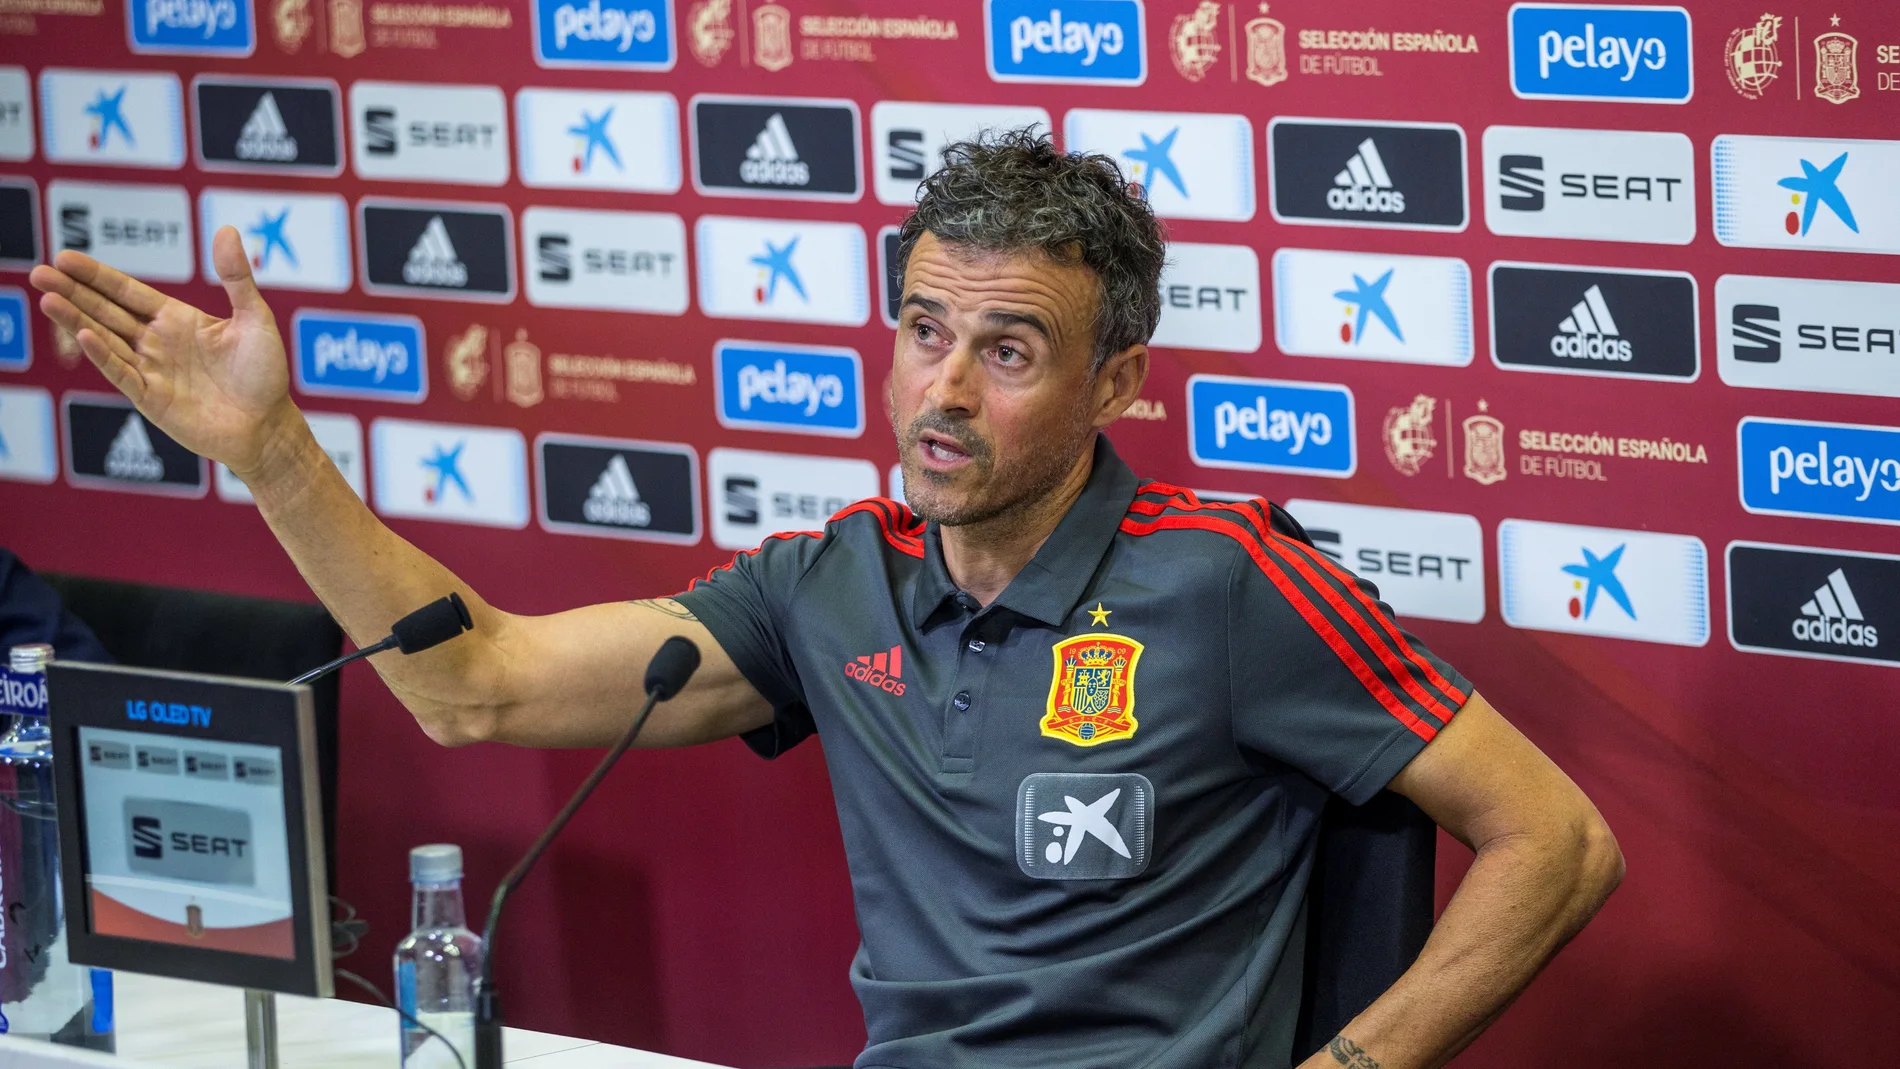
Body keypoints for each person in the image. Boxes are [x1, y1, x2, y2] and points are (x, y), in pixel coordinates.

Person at [31, 130, 1622, 1069]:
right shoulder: (828, 577)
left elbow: (1560, 838)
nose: (944, 389)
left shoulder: (1230, 584)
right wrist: (273, 452)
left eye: (1006, 352)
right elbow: (479, 689)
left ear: (1113, 378)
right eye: (925, 330)